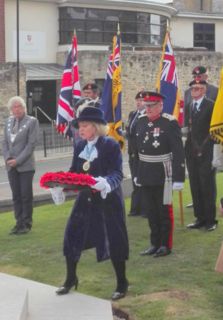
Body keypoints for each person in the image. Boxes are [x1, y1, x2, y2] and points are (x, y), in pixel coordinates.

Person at [56, 102, 129, 300]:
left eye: (85, 125)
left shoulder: (111, 144)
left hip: (108, 200)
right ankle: (71, 279)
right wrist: (60, 184)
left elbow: (117, 174)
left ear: (96, 127)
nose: (80, 130)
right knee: (72, 236)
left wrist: (104, 183)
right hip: (86, 200)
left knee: (115, 240)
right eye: (79, 126)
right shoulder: (79, 145)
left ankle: (122, 283)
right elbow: (74, 172)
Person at [132, 91, 185, 257]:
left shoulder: (169, 123)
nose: (147, 108)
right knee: (150, 211)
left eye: (151, 106)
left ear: (160, 105)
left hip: (163, 172)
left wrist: (178, 177)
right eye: (146, 105)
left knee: (163, 211)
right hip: (145, 172)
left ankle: (165, 245)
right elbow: (135, 150)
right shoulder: (140, 122)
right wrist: (136, 173)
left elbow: (178, 151)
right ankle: (154, 243)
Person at [2, 96, 39, 235]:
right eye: (14, 107)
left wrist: (18, 160)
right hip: (10, 165)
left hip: (25, 166)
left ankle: (26, 223)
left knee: (25, 195)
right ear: (11, 109)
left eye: (19, 106)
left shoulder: (32, 121)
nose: (16, 109)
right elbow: (4, 142)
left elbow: (31, 145)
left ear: (24, 107)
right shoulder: (8, 121)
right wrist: (8, 158)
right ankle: (18, 223)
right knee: (16, 196)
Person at [184, 79, 217, 231]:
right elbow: (189, 129)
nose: (194, 91)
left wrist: (204, 147)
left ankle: (211, 220)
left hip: (207, 151)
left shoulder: (211, 105)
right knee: (195, 184)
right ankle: (200, 218)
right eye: (192, 89)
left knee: (207, 186)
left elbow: (213, 130)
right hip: (191, 151)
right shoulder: (190, 106)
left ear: (204, 90)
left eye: (197, 89)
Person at [126, 90, 146, 217]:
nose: (139, 103)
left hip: (141, 154)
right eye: (137, 100)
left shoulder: (146, 116)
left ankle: (145, 209)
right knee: (135, 181)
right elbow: (130, 132)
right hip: (132, 153)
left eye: (141, 100)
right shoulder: (132, 114)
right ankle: (135, 208)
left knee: (143, 182)